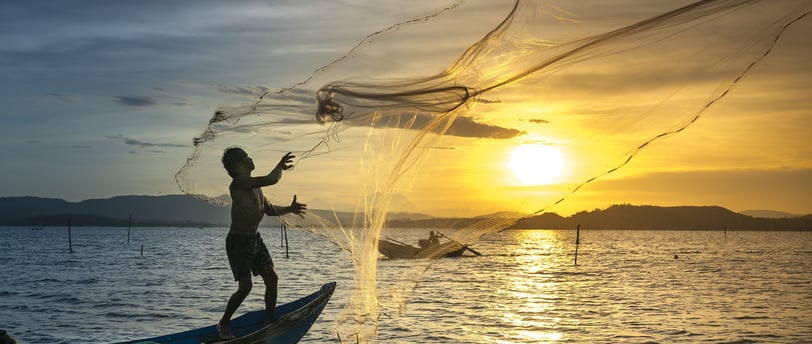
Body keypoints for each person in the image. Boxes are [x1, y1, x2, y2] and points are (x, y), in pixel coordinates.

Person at [216, 147, 307, 340]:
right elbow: (271, 179)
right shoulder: (239, 183)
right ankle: (223, 323)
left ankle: (268, 322)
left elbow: (270, 210)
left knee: (272, 279)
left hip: (255, 239)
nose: (251, 159)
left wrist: (289, 208)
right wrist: (280, 166)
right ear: (238, 165)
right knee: (246, 287)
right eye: (247, 157)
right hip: (238, 242)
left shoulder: (256, 187)